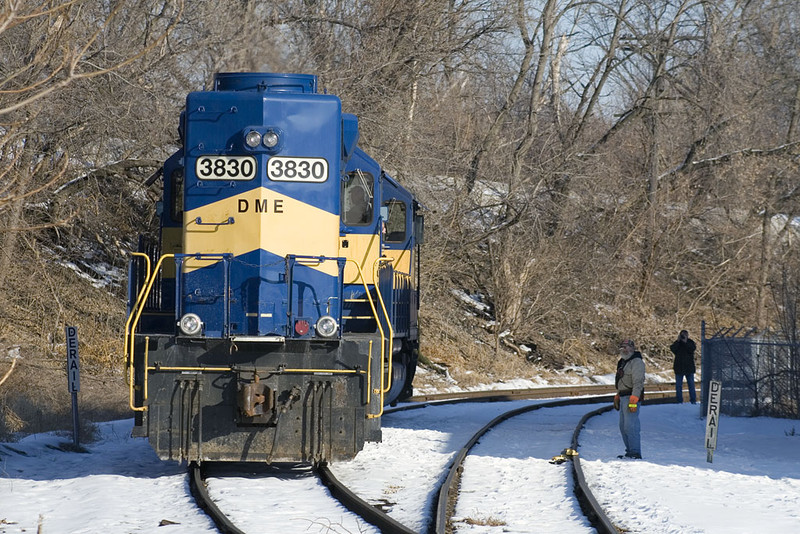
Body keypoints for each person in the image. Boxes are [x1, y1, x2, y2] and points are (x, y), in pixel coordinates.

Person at [613, 339, 645, 459]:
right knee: (623, 426)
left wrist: (635, 398)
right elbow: (620, 380)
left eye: (627, 347)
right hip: (623, 397)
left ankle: (635, 452)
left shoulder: (637, 362)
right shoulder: (622, 362)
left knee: (631, 426)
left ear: (633, 348)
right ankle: (629, 451)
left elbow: (638, 381)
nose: (624, 349)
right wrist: (617, 394)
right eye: (622, 347)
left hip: (631, 397)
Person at [670, 329, 697, 404]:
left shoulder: (690, 342)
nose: (683, 336)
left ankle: (693, 400)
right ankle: (679, 401)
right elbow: (672, 349)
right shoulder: (677, 343)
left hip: (689, 367)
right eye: (682, 335)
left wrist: (685, 342)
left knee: (691, 385)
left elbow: (692, 349)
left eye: (685, 335)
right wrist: (678, 341)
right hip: (679, 367)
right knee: (678, 386)